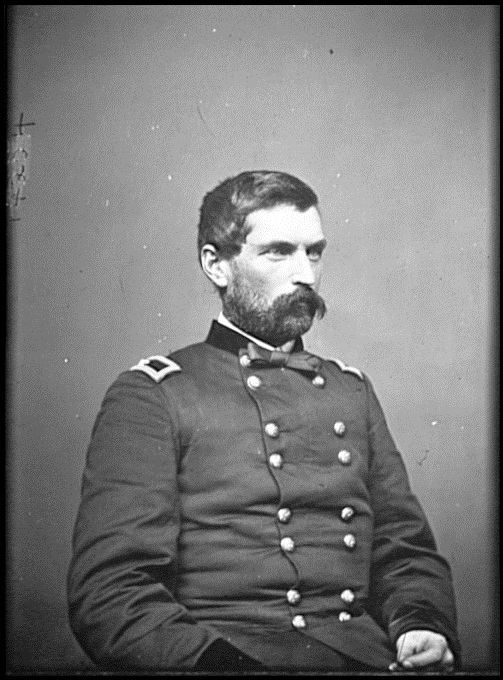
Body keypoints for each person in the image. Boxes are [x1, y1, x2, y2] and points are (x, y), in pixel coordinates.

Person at [67, 170, 461, 673]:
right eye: (279, 252)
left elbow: (403, 550)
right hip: (222, 658)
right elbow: (111, 591)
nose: (306, 275)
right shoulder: (154, 395)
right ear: (216, 265)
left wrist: (420, 624)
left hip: (361, 656)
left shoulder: (351, 391)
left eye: (313, 252)